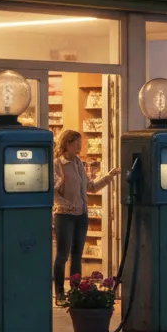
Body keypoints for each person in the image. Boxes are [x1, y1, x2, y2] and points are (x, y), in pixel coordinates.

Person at [52, 129, 119, 305]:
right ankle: (59, 294)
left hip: (81, 215)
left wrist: (109, 176)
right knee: (62, 255)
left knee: (77, 255)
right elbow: (53, 192)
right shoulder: (58, 164)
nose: (80, 146)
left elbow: (91, 187)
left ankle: (75, 293)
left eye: (80, 143)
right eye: (77, 143)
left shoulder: (79, 164)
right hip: (64, 215)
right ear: (66, 143)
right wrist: (67, 204)